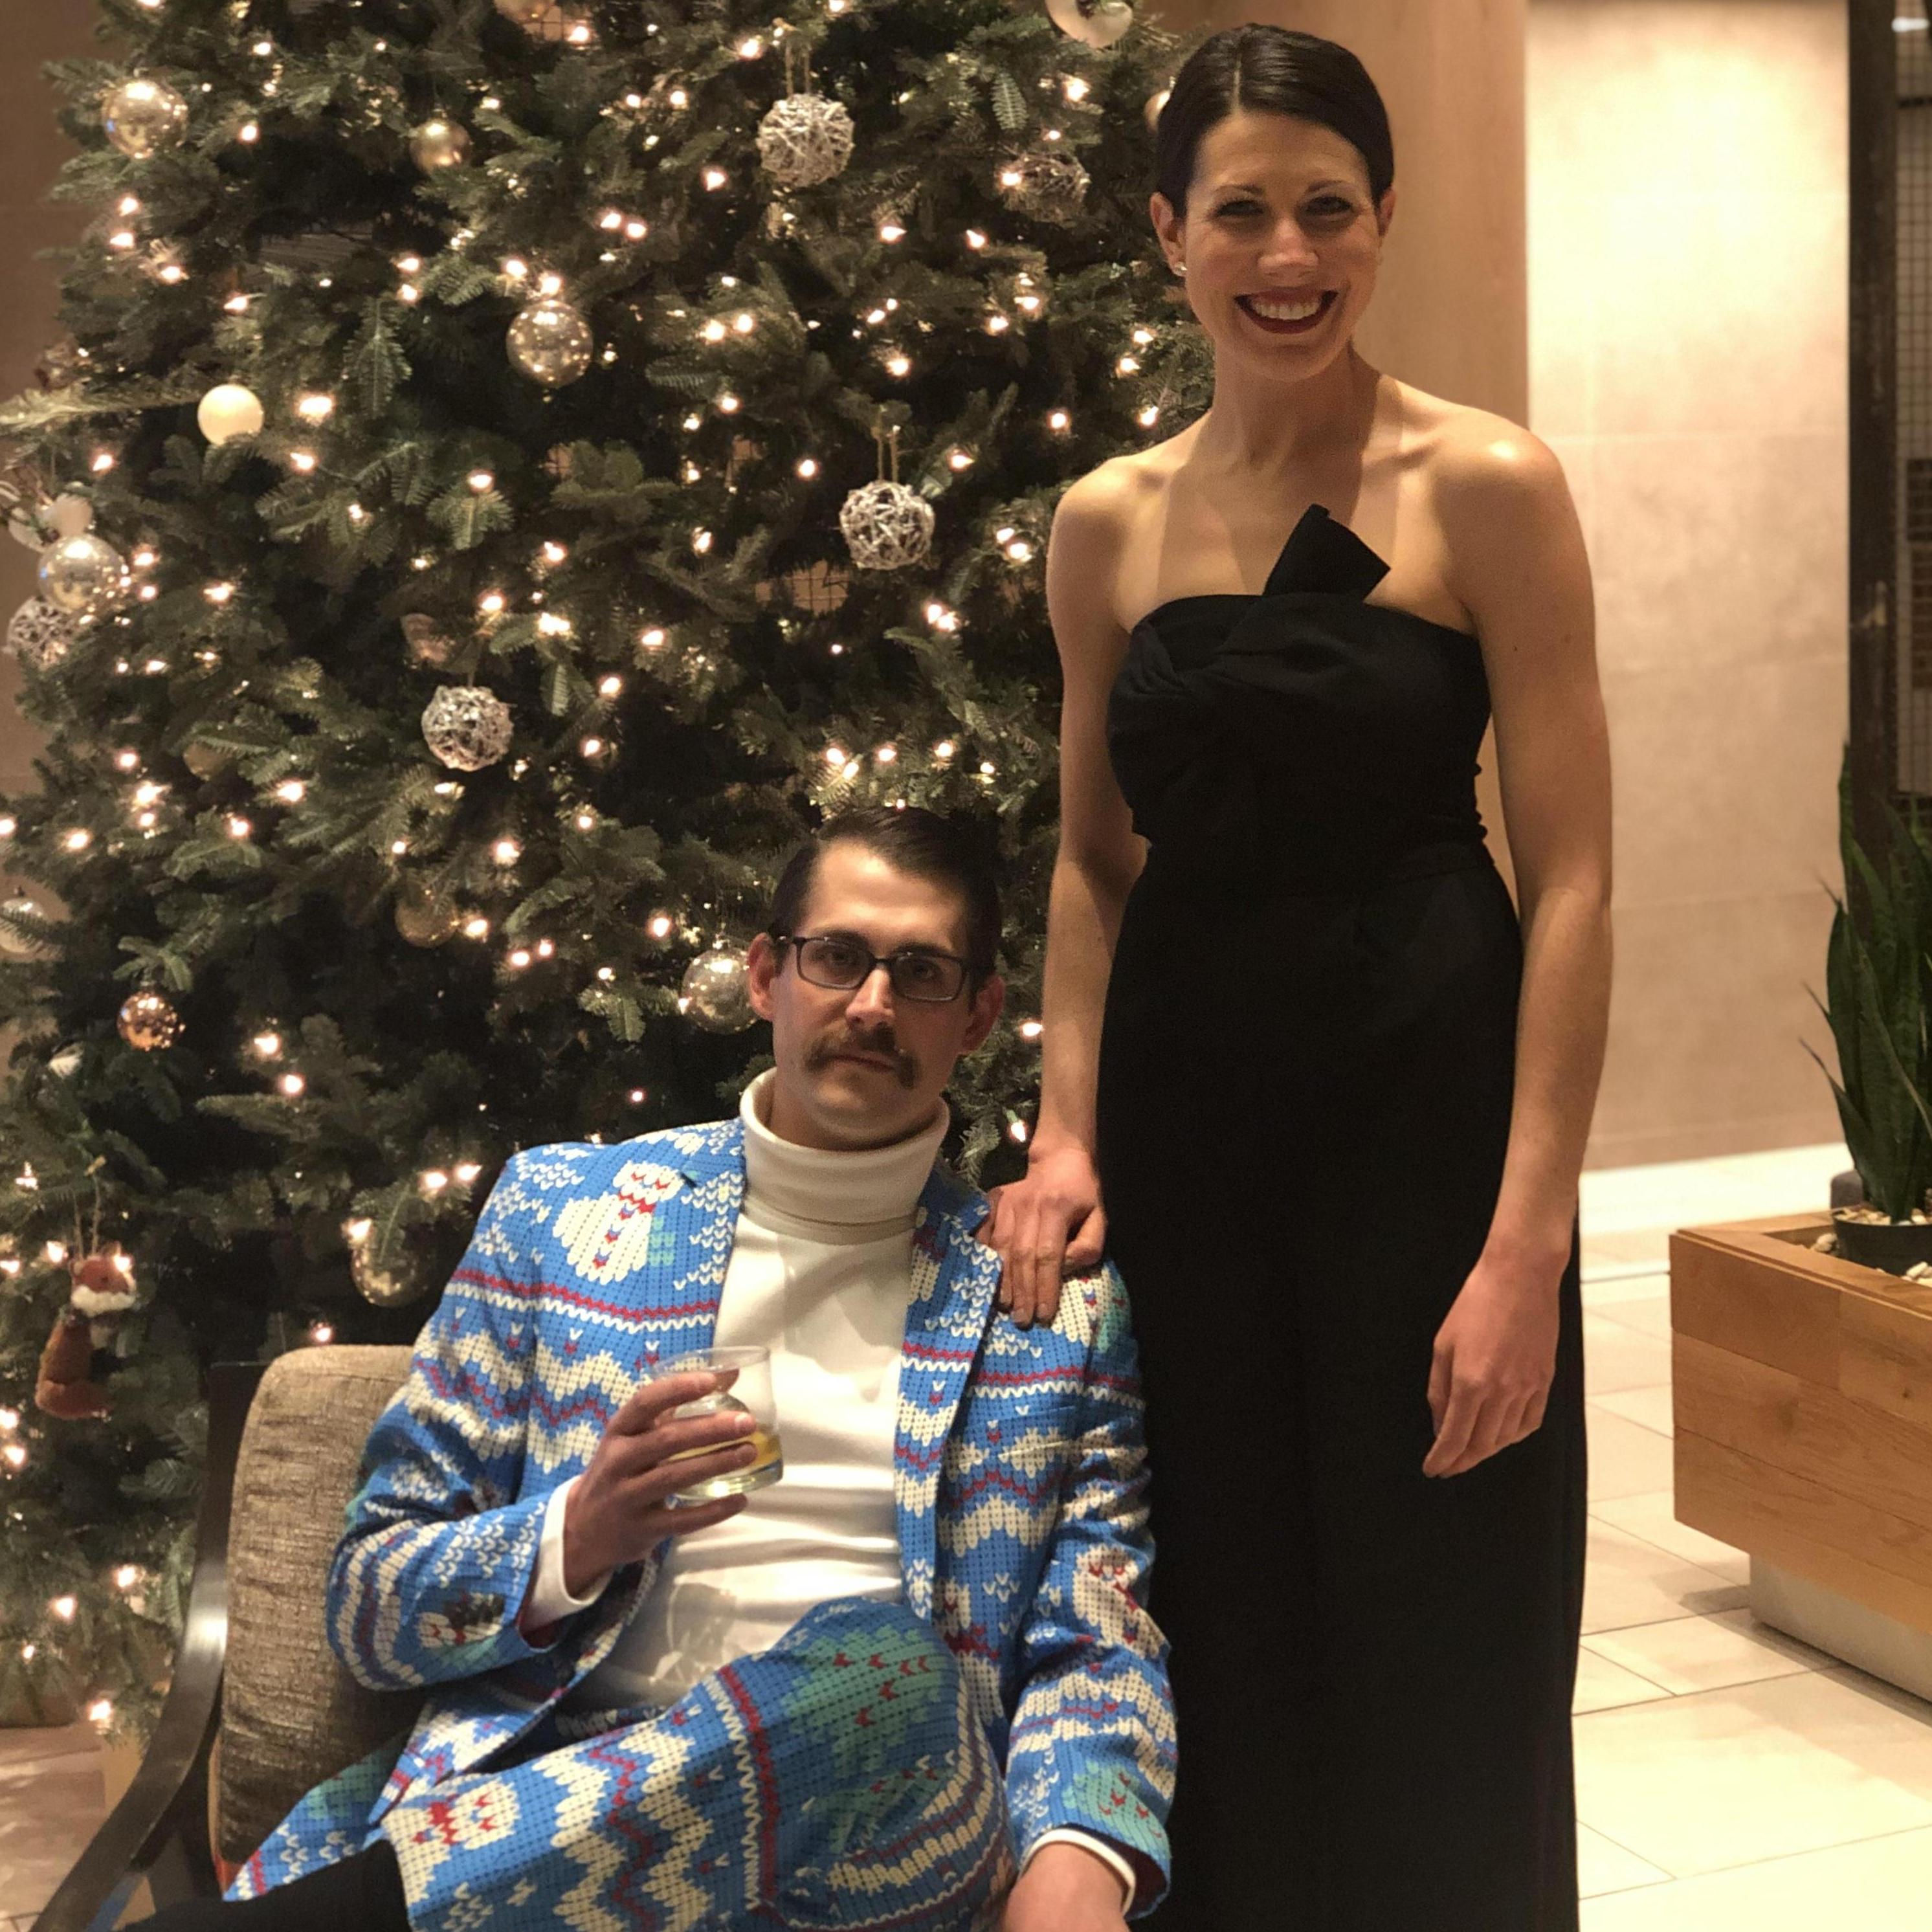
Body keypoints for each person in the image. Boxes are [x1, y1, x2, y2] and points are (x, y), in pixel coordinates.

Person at [979, 25, 1610, 1932]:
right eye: (1239, 210)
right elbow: (1093, 861)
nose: (1286, 255)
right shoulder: (1107, 519)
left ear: (1382, 218)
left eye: (1326, 208)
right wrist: (1066, 1129)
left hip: (1427, 1119)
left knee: (1445, 1615)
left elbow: (1574, 876)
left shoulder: (1484, 483)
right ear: (1166, 234)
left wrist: (1528, 1245)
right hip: (1193, 1131)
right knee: (1223, 1608)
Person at [150, 808, 1171, 1932]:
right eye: (836, 956)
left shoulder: (1049, 1304)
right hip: (546, 1807)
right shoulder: (560, 1213)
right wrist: (575, 1535)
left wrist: (1082, 1859)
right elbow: (367, 1603)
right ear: (765, 976)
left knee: (888, 1675)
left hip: (887, 1837)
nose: (873, 1004)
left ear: (977, 1014)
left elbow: (1098, 1637)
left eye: (921, 972)